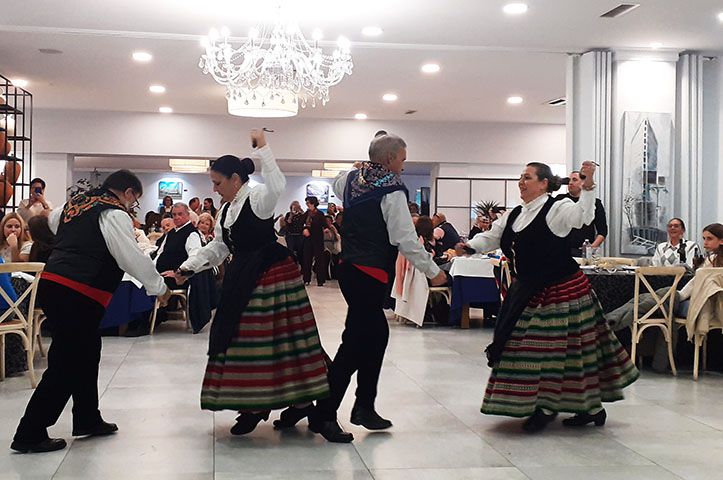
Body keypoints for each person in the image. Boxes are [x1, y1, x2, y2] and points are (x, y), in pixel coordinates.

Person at [164, 129, 329, 438]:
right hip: (242, 276)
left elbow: (277, 184)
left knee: (276, 341)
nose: (214, 190)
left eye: (217, 183)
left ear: (236, 180)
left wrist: (263, 147)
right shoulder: (226, 210)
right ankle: (252, 404)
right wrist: (187, 267)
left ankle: (299, 400)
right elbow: (218, 249)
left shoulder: (257, 197)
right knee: (241, 339)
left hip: (272, 276)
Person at [456, 161, 638, 433]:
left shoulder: (558, 208)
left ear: (543, 183)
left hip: (562, 289)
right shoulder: (515, 214)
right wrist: (469, 246)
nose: (521, 181)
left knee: (556, 354)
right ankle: (581, 407)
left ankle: (550, 408)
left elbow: (582, 218)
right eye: (520, 177)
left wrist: (587, 187)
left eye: (527, 177)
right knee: (529, 350)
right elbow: (493, 237)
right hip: (528, 290)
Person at [11, 169, 171, 454]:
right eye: (134, 199)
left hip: (55, 284)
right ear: (129, 193)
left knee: (86, 351)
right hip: (78, 292)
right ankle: (30, 431)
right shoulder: (114, 213)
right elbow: (130, 256)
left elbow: (44, 223)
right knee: (67, 360)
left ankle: (87, 417)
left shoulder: (72, 206)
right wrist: (159, 288)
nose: (132, 205)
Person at [311, 133, 447, 443]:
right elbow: (404, 237)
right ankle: (325, 413)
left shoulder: (351, 179)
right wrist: (432, 270)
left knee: (375, 337)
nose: (403, 165)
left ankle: (364, 405)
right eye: (402, 159)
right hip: (370, 273)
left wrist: (359, 166)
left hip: (351, 270)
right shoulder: (392, 189)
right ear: (389, 159)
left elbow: (336, 179)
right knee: (354, 345)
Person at [556, 170, 608, 256]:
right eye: (569, 180)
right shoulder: (560, 200)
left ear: (583, 183)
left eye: (574, 180)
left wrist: (590, 249)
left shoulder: (595, 203)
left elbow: (602, 231)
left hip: (583, 251)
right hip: (561, 250)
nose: (570, 183)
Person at [153, 203, 202, 290]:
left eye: (180, 214)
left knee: (147, 287)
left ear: (188, 214)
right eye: (174, 214)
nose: (176, 217)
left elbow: (195, 256)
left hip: (177, 278)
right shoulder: (171, 232)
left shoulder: (191, 233)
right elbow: (160, 252)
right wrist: (152, 268)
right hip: (160, 273)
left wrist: (178, 272)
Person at [301, 196, 326, 286]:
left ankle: (320, 280)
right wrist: (304, 229)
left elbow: (324, 225)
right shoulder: (306, 214)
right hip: (308, 239)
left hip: (318, 239)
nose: (307, 204)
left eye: (308, 202)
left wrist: (326, 230)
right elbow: (301, 224)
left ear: (313, 203)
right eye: (306, 203)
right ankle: (306, 279)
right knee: (307, 259)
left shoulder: (320, 214)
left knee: (319, 260)